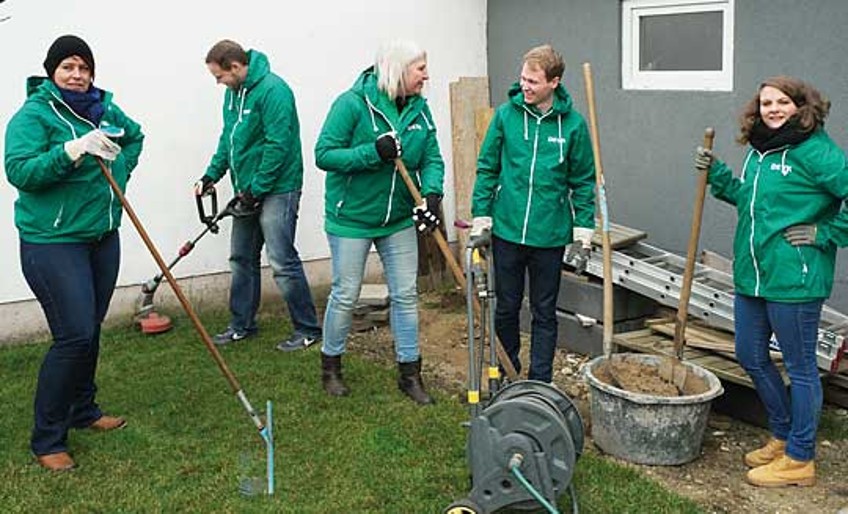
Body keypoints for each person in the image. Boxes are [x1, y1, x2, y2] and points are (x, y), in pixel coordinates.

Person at [696, 76, 848, 487]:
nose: (773, 109)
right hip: (754, 275)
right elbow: (750, 200)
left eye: (783, 102)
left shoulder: (816, 151)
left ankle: (801, 458)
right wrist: (718, 176)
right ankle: (782, 434)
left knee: (800, 369)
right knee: (750, 355)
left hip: (794, 278)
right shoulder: (761, 150)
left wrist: (827, 233)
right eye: (766, 102)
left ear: (802, 107)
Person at [4, 35, 145, 471]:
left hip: (101, 237)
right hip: (53, 241)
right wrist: (71, 151)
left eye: (84, 67)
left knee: (91, 327)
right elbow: (20, 171)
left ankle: (84, 410)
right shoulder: (34, 115)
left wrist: (117, 163)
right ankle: (48, 439)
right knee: (74, 335)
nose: (77, 75)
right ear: (51, 71)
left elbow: (136, 137)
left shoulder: (104, 109)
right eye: (68, 66)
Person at [314, 39, 445, 404]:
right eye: (420, 68)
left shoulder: (420, 110)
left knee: (405, 295)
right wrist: (374, 152)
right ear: (398, 70)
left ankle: (409, 373)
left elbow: (432, 158)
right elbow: (324, 154)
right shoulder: (352, 104)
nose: (426, 75)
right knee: (346, 294)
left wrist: (432, 194)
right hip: (351, 218)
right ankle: (331, 367)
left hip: (398, 218)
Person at [470, 44, 596, 383]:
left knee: (544, 312)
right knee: (507, 308)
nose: (525, 86)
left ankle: (540, 381)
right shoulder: (506, 117)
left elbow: (583, 182)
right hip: (508, 231)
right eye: (523, 78)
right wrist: (481, 220)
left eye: (533, 81)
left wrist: (584, 236)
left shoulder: (573, 126)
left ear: (554, 83)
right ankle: (506, 372)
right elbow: (487, 169)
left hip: (549, 236)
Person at [197, 40, 321, 350]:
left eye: (219, 76)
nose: (218, 83)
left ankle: (308, 329)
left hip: (279, 187)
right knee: (241, 258)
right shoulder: (233, 95)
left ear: (236, 67)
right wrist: (211, 174)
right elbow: (229, 139)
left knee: (281, 259)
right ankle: (242, 325)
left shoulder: (274, 91)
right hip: (249, 188)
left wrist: (257, 189)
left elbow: (277, 145)